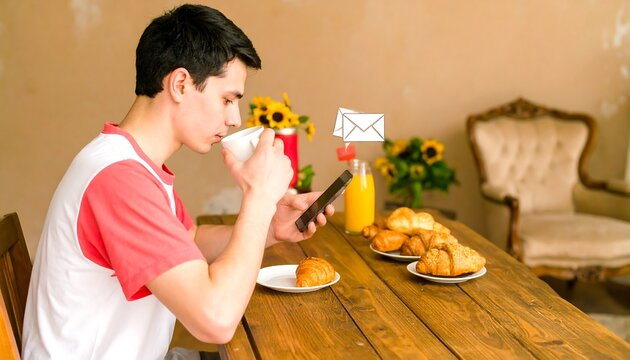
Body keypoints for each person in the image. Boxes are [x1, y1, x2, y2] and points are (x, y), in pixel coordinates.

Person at [22, 4, 333, 359]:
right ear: (181, 84)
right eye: (227, 99)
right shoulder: (119, 180)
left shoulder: (131, 164)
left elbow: (189, 242)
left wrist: (270, 228)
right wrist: (258, 200)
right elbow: (215, 320)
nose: (234, 118)